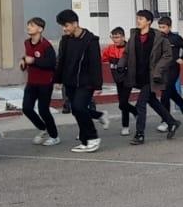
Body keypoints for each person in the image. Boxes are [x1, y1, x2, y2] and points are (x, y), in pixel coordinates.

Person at [121, 9, 177, 143]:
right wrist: (121, 64)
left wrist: (158, 69)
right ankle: (172, 122)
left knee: (140, 104)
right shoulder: (134, 36)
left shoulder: (159, 37)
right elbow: (126, 53)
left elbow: (168, 55)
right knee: (152, 101)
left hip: (152, 76)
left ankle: (139, 134)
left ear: (149, 22)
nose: (138, 21)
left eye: (141, 19)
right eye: (137, 18)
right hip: (138, 75)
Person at [54, 10, 102, 152]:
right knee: (76, 110)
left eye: (66, 25)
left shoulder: (91, 40)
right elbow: (61, 61)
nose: (64, 29)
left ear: (75, 23)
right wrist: (58, 79)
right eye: (62, 26)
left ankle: (93, 138)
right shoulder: (65, 40)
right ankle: (85, 141)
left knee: (80, 107)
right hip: (70, 82)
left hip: (86, 82)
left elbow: (95, 64)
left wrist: (98, 85)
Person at [19, 17, 60, 145]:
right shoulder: (27, 42)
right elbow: (27, 57)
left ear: (40, 29)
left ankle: (54, 136)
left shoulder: (46, 45)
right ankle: (43, 128)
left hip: (45, 83)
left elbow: (51, 63)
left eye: (32, 25)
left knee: (43, 110)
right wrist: (23, 61)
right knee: (26, 108)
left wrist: (34, 61)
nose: (28, 27)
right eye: (28, 25)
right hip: (31, 82)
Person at [155, 16, 183, 125]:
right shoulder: (156, 38)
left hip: (173, 69)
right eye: (160, 27)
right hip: (161, 70)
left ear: (169, 27)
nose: (161, 29)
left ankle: (166, 121)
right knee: (172, 93)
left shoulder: (175, 38)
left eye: (164, 27)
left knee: (165, 94)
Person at [102, 27, 133, 136]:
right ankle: (135, 112)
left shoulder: (130, 48)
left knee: (123, 103)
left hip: (128, 79)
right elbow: (101, 58)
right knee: (122, 104)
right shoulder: (109, 49)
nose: (115, 40)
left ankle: (125, 126)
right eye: (113, 37)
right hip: (118, 80)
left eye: (117, 37)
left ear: (123, 37)